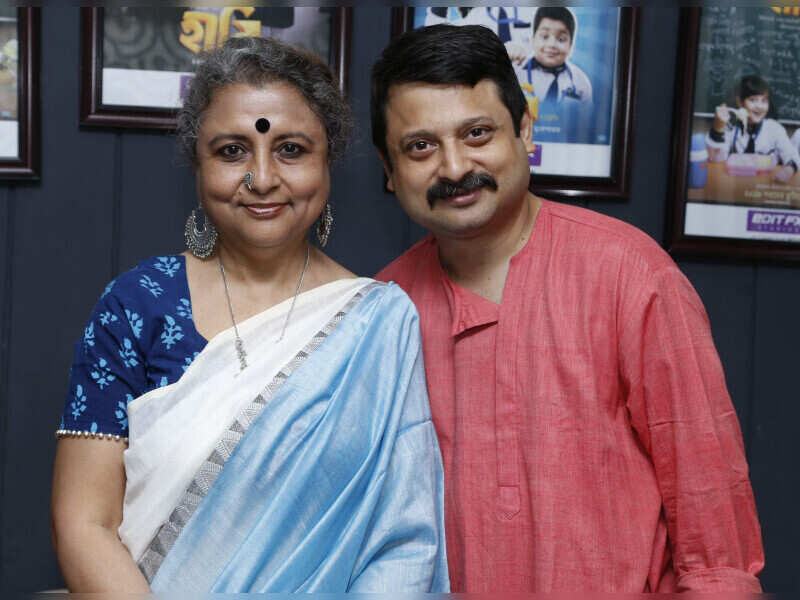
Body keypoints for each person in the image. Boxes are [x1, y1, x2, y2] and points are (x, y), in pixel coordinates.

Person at [371, 24, 764, 592]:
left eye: (477, 133)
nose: (453, 168)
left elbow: (713, 530)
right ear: (389, 170)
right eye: (420, 147)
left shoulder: (631, 275)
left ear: (524, 130)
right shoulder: (383, 311)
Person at [50, 36, 448, 594]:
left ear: (327, 161)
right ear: (198, 164)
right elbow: (84, 523)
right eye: (232, 150)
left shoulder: (378, 324)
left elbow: (402, 542)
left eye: (291, 149)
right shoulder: (138, 305)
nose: (262, 178)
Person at [706, 74, 800, 184]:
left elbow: (792, 156)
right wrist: (718, 128)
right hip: (735, 182)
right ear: (740, 102)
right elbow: (715, 159)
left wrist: (788, 170)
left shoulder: (774, 129)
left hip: (765, 183)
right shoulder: (730, 127)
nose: (759, 106)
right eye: (753, 100)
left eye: (764, 101)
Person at [504, 7, 592, 106]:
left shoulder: (580, 83)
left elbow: (586, 114)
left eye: (561, 39)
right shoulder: (515, 71)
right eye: (545, 36)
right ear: (533, 39)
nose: (552, 44)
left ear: (571, 46)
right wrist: (502, 56)